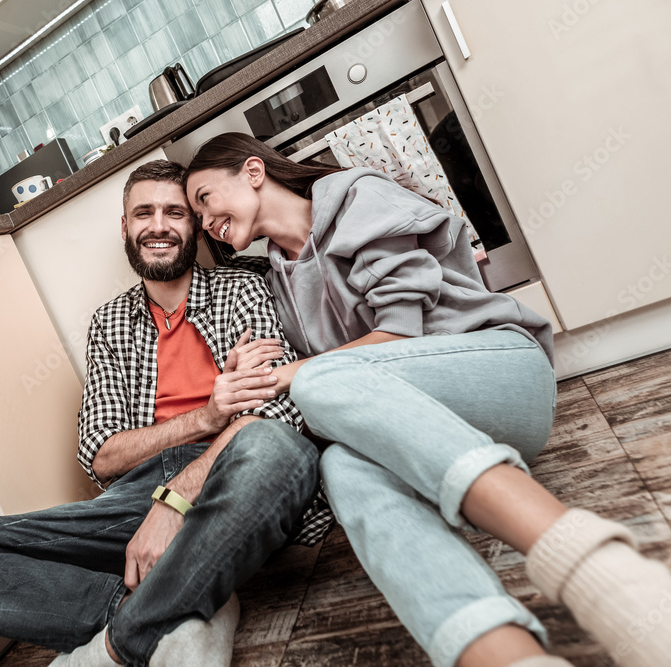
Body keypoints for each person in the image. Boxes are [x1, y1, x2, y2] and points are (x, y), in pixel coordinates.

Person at [184, 132, 671, 667]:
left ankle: (601, 574)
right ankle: (503, 655)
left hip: (503, 375)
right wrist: (251, 371)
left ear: (253, 171)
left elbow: (399, 334)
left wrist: (288, 376)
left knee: (317, 381)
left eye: (204, 198)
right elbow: (355, 387)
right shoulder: (276, 278)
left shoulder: (355, 198)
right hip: (439, 432)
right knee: (343, 466)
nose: (205, 222)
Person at [0, 159, 331, 667]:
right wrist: (206, 416)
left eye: (174, 212)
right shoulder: (110, 322)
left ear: (195, 225)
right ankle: (159, 608)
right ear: (126, 228)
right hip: (138, 498)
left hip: (232, 472)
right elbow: (102, 457)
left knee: (277, 450)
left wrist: (177, 499)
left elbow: (278, 416)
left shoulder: (242, 286)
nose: (158, 226)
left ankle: (120, 642)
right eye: (143, 213)